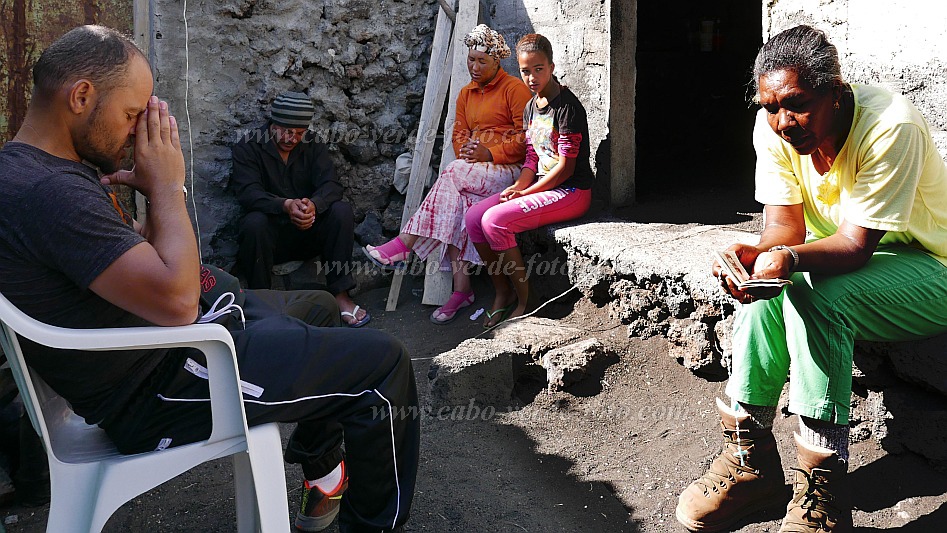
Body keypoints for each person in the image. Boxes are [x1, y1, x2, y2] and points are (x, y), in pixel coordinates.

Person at [0, 25, 418, 533]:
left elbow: (143, 254)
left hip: (193, 335)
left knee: (320, 307)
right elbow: (177, 302)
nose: (137, 130)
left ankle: (320, 462)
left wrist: (156, 202)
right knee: (382, 364)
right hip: (167, 381)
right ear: (82, 96)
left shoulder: (39, 172)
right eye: (132, 114)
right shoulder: (50, 192)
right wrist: (168, 185)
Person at [676, 25, 947, 533]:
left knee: (814, 293)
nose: (783, 121)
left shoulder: (890, 126)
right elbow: (785, 228)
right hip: (857, 266)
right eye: (770, 106)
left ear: (836, 93)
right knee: (765, 284)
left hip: (933, 269)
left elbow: (853, 246)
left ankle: (823, 495)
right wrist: (755, 252)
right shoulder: (773, 126)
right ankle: (749, 464)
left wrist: (788, 260)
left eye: (797, 104)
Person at [363, 24, 533, 325]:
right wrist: (467, 149)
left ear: (497, 62)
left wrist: (490, 153)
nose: (474, 66)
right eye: (470, 59)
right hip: (475, 169)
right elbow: (459, 133)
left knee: (452, 172)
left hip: (508, 170)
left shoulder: (514, 89)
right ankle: (463, 289)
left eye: (482, 61)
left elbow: (525, 138)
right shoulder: (466, 93)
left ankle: (405, 243)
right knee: (457, 204)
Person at [465, 33, 594, 328]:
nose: (532, 77)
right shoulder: (530, 108)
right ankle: (503, 292)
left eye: (539, 69)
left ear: (551, 66)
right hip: (541, 187)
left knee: (494, 222)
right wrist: (518, 187)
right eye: (525, 71)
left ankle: (527, 301)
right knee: (474, 217)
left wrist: (528, 193)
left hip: (571, 191)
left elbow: (565, 169)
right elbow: (532, 159)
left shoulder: (567, 108)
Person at [232, 91, 371, 328]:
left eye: (299, 133)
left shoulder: (313, 144)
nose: (291, 138)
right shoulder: (248, 146)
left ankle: (340, 296)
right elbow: (248, 193)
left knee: (341, 211)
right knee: (254, 223)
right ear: (272, 125)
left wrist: (313, 205)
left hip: (308, 234)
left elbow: (331, 185)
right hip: (270, 239)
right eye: (285, 130)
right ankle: (262, 301)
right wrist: (285, 205)